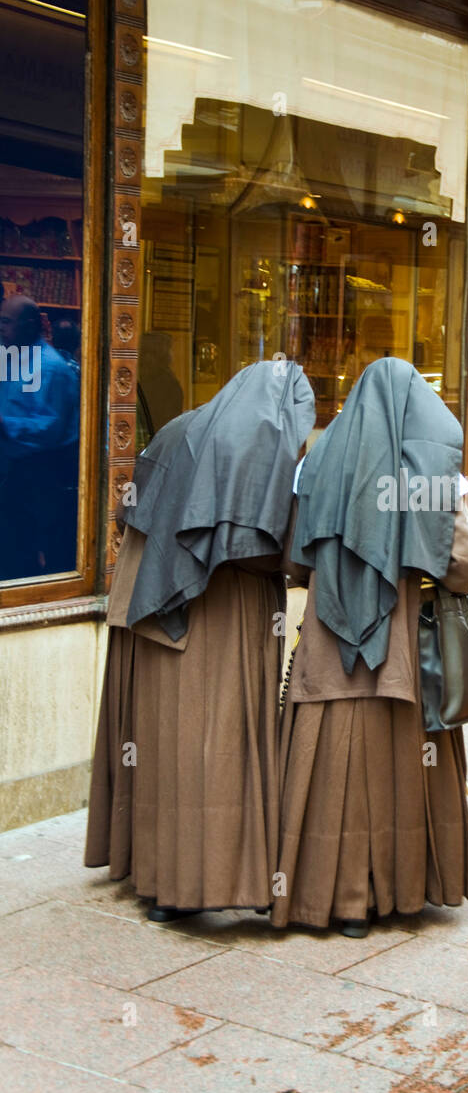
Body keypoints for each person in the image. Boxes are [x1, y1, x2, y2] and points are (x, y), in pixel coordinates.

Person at [84, 360, 316, 922]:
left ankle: (155, 878)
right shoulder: (266, 455)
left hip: (149, 610)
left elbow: (127, 512)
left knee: (158, 747)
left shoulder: (176, 430)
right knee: (217, 748)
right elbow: (281, 554)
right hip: (227, 618)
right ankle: (200, 885)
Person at [273, 357, 468, 937]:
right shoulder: (432, 472)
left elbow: (294, 559)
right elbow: (462, 568)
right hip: (400, 640)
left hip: (324, 635)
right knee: (395, 759)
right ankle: (388, 892)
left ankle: (321, 895)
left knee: (326, 760)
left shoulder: (317, 463)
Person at [0, 293, 80, 579]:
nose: (1, 327)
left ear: (30, 324)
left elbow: (50, 428)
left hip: (39, 474)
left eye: (7, 322)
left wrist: (5, 425)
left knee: (24, 554)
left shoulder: (50, 368)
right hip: (12, 469)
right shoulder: (9, 355)